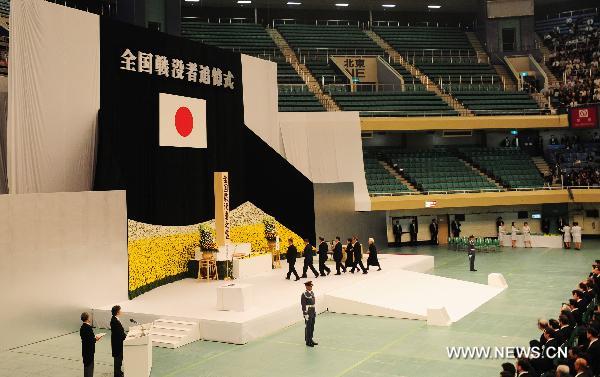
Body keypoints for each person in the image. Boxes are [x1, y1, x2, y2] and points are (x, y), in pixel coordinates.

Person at [80, 312, 102, 377]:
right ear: (87, 318)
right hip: (89, 351)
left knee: (86, 365)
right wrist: (95, 339)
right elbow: (90, 340)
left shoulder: (82, 327)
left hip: (85, 350)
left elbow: (86, 338)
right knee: (90, 366)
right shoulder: (88, 328)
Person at [110, 305, 126, 377]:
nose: (121, 311)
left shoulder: (116, 319)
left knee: (120, 359)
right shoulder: (114, 321)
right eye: (120, 310)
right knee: (118, 359)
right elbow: (119, 333)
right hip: (117, 344)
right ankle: (117, 374)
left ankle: (119, 371)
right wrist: (126, 337)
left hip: (119, 342)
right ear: (117, 312)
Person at [301, 281, 317, 347]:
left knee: (312, 326)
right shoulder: (304, 294)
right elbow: (303, 304)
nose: (311, 287)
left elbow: (313, 303)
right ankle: (308, 341)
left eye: (311, 286)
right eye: (310, 286)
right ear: (307, 286)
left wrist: (314, 311)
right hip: (308, 311)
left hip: (312, 311)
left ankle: (311, 339)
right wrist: (305, 313)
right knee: (308, 327)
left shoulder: (312, 293)